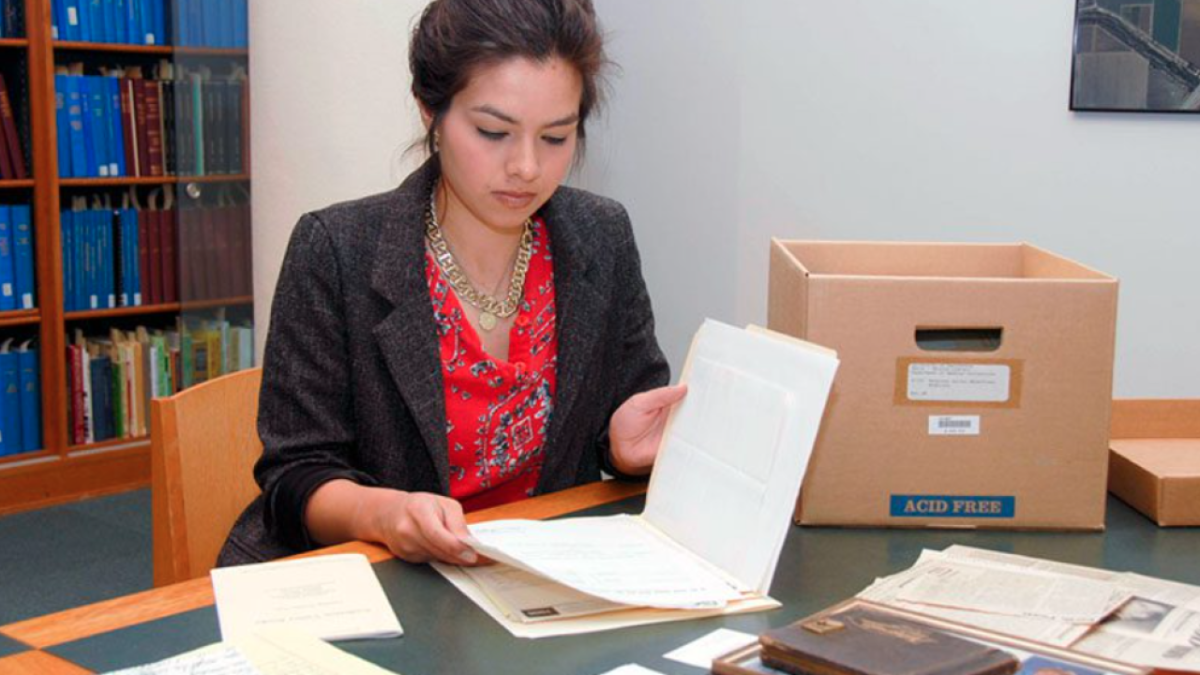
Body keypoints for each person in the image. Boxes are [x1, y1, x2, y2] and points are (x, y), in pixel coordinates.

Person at [218, 0, 682, 567]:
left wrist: (624, 446)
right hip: (375, 579)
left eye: (557, 137)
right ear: (429, 111)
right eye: (493, 132)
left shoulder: (600, 237)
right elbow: (295, 474)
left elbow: (622, 419)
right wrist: (383, 514)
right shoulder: (338, 249)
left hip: (538, 577)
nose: (526, 168)